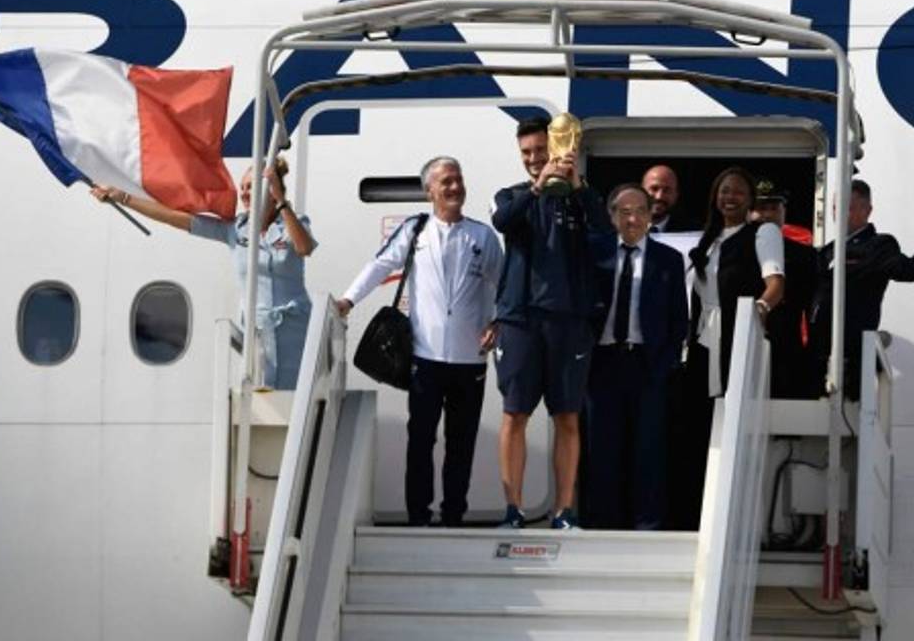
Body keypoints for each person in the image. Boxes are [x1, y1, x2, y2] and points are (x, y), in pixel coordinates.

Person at [336, 156, 503, 527]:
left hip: (470, 360)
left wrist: (499, 320)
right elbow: (380, 265)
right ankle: (418, 516)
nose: (455, 187)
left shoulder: (483, 236)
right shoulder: (416, 230)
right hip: (425, 358)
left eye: (458, 179)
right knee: (421, 440)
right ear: (430, 190)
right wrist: (348, 299)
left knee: (461, 444)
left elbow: (504, 285)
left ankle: (454, 516)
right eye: (446, 182)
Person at [92, 158, 315, 390]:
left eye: (251, 187)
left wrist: (281, 203)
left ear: (270, 189)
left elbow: (303, 248)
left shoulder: (294, 222)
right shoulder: (235, 230)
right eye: (243, 188)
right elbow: (176, 218)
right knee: (265, 402)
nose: (245, 194)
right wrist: (125, 198)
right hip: (257, 333)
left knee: (298, 398)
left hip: (295, 330)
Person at [491, 116, 610, 530]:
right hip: (520, 321)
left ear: (557, 147)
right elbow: (502, 222)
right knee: (515, 414)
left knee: (568, 417)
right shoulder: (513, 195)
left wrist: (576, 185)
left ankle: (562, 510)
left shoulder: (581, 197)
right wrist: (540, 185)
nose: (534, 159)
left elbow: (607, 235)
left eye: (541, 150)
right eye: (526, 153)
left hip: (570, 322)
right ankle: (513, 509)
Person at [667, 166, 785, 531]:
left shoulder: (761, 232)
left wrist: (759, 312)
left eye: (736, 192)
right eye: (723, 192)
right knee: (695, 427)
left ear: (749, 198)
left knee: (730, 426)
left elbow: (775, 284)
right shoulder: (709, 238)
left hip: (736, 339)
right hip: (702, 343)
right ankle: (692, 514)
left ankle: (731, 517)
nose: (729, 198)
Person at [585, 184, 688, 530]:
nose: (633, 218)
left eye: (640, 211)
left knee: (649, 448)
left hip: (648, 364)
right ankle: (602, 523)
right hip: (602, 363)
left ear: (649, 215)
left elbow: (679, 319)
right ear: (612, 216)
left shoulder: (669, 260)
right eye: (624, 211)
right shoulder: (594, 253)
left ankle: (648, 523)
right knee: (602, 446)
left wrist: (667, 362)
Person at [810, 179, 914, 399]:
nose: (839, 213)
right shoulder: (826, 251)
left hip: (851, 352)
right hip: (818, 350)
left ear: (868, 210)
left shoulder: (878, 246)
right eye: (836, 207)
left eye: (849, 206)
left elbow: (909, 271)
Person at [750, 180, 819, 399]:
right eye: (761, 208)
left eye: (774, 208)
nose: (768, 215)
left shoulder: (805, 255)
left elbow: (811, 305)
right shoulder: (735, 248)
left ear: (784, 211)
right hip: (744, 338)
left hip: (787, 343)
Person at [641, 164, 684, 233]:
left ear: (676, 195)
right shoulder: (620, 228)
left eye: (667, 190)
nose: (659, 196)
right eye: (654, 189)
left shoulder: (694, 232)